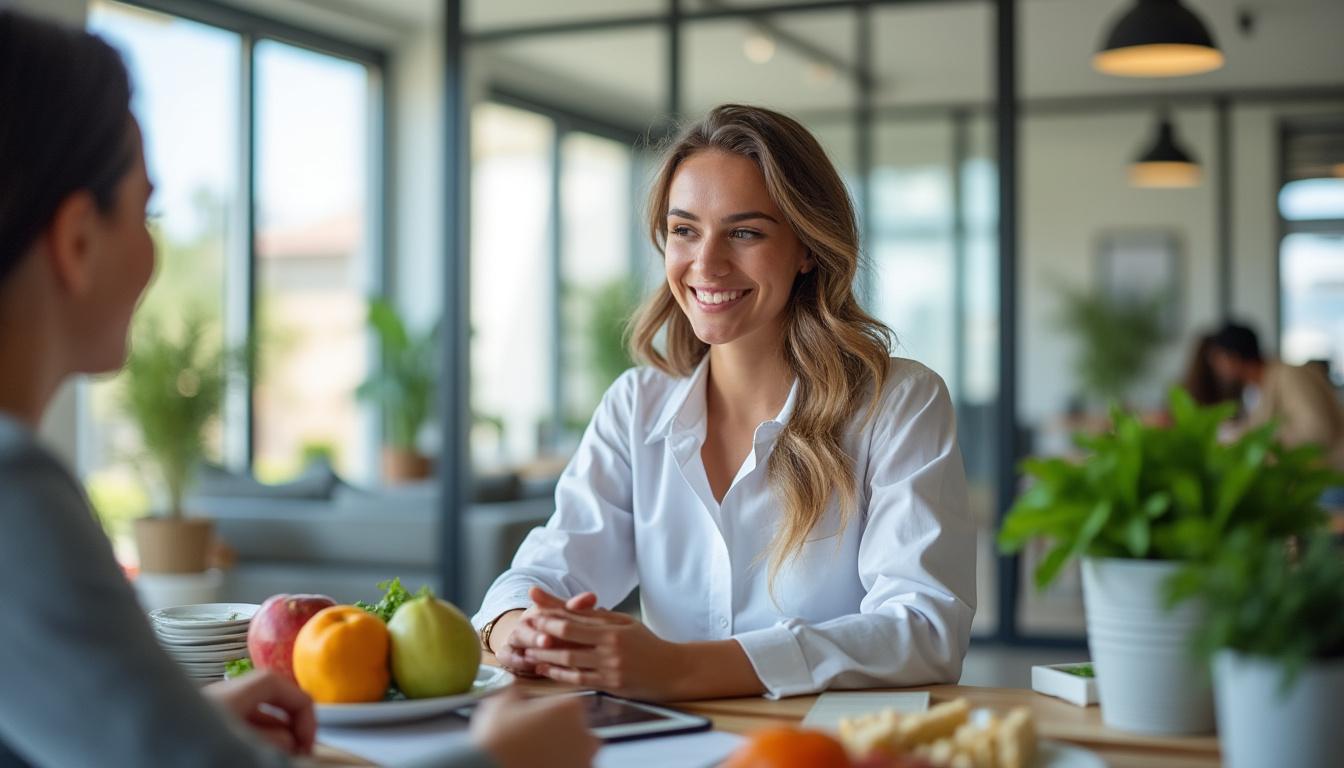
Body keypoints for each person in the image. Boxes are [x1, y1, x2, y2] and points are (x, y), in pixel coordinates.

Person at [0, 10, 597, 768]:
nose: (153, 251)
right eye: (147, 211)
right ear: (77, 241)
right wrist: (507, 762)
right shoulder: (14, 493)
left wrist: (183, 718)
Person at [473, 104, 977, 702]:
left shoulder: (898, 403)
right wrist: (517, 628)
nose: (705, 264)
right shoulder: (635, 406)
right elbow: (547, 569)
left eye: (745, 232)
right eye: (685, 230)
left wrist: (680, 670)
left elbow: (924, 628)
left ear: (807, 248)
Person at [1206, 322, 1344, 500]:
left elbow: (1317, 430)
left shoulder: (1289, 375)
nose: (1217, 370)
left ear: (1232, 358)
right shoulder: (1254, 389)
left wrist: (1252, 438)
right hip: (1305, 485)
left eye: (1218, 361)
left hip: (1328, 482)